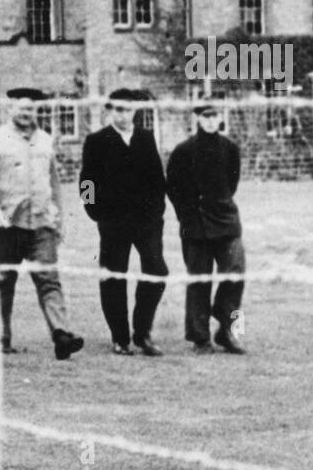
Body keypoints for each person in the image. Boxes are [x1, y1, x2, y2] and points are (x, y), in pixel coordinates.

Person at [0, 87, 84, 361]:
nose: (26, 113)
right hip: (8, 225)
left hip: (42, 224)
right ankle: (1, 336)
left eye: (31, 108)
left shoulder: (45, 140)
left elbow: (54, 182)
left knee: (49, 280)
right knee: (3, 281)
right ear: (11, 108)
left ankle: (61, 335)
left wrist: (58, 218)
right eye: (22, 108)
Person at [80, 88, 169, 356]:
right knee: (114, 278)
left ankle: (142, 333)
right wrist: (94, 211)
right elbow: (86, 182)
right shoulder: (96, 141)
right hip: (113, 223)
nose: (123, 115)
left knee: (157, 271)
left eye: (128, 110)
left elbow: (157, 178)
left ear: (135, 111)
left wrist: (157, 210)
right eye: (118, 109)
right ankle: (120, 338)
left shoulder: (145, 137)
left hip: (147, 222)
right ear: (110, 111)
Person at [166, 99, 247, 355]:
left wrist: (221, 203)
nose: (211, 120)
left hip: (226, 220)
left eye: (215, 116)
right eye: (206, 116)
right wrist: (187, 215)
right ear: (197, 118)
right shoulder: (183, 151)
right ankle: (200, 338)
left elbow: (232, 182)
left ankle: (227, 330)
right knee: (199, 280)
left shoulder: (230, 148)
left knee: (236, 272)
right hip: (196, 224)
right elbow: (173, 188)